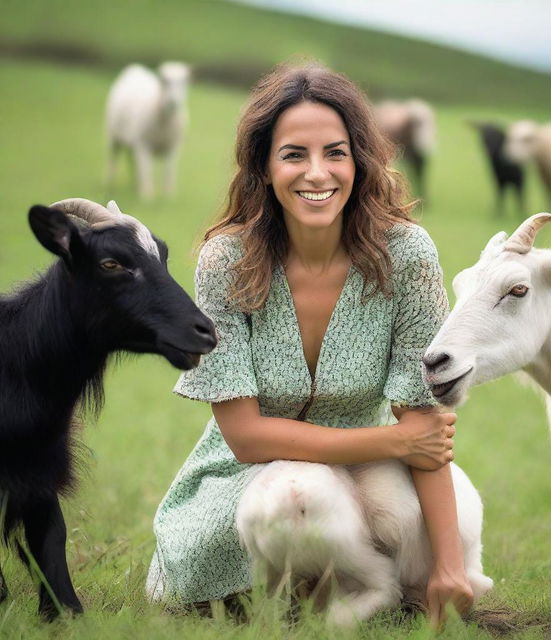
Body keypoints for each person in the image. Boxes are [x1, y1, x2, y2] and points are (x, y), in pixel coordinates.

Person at [146, 62, 472, 627]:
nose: (317, 173)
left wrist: (450, 565)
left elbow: (424, 425)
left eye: (336, 153)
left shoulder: (408, 256)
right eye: (294, 154)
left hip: (370, 465)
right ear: (264, 166)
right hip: (246, 478)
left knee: (446, 514)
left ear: (360, 160)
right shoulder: (226, 260)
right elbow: (246, 437)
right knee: (296, 502)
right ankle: (319, 592)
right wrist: (396, 440)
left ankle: (372, 586)